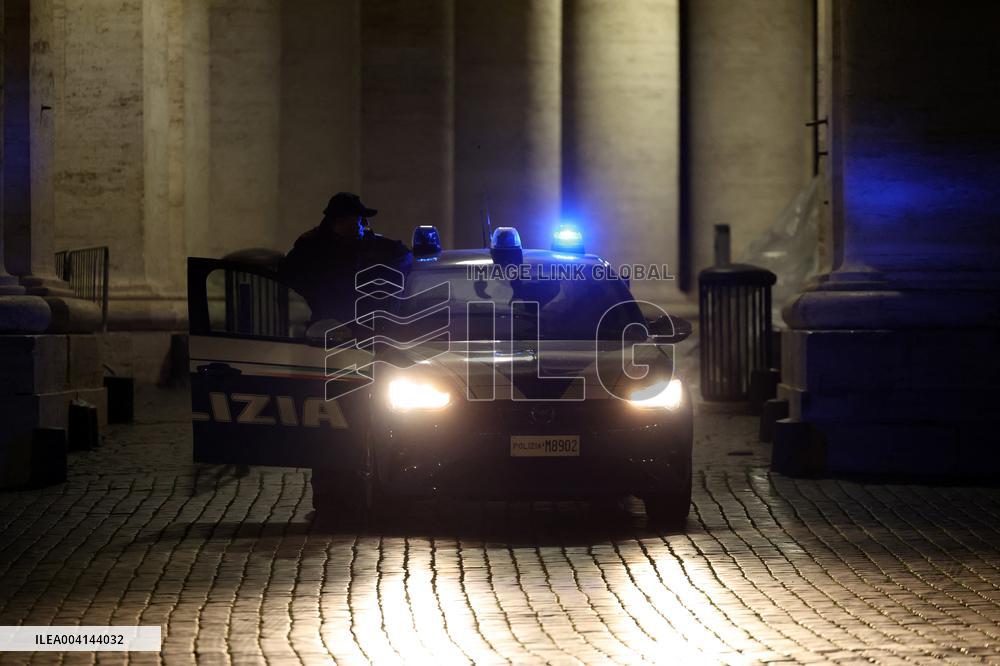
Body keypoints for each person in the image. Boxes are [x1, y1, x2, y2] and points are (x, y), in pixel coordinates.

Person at [279, 192, 411, 322]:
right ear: (340, 221)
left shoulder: (370, 242)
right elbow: (289, 274)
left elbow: (402, 255)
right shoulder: (312, 247)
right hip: (328, 324)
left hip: (368, 323)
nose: (363, 224)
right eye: (358, 219)